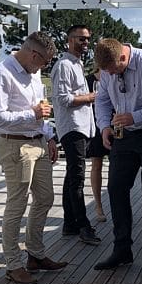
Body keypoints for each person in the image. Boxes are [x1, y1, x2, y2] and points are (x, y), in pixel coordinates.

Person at [0, 31, 65, 284]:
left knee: (45, 198)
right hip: (15, 146)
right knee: (17, 204)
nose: (44, 67)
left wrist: (49, 136)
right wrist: (32, 114)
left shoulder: (33, 73)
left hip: (38, 142)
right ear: (33, 54)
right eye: (44, 62)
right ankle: (13, 264)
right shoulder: (1, 74)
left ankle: (35, 255)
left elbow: (41, 109)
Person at [93, 37, 142, 276]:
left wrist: (135, 117)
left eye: (112, 69)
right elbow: (102, 100)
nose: (109, 74)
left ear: (123, 57)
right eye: (106, 71)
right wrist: (104, 126)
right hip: (124, 135)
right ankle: (122, 249)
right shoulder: (107, 69)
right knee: (116, 189)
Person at [51, 25, 101, 245]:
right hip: (72, 128)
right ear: (69, 40)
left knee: (72, 176)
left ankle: (70, 224)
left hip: (81, 127)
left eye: (88, 39)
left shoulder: (77, 64)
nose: (86, 42)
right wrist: (90, 97)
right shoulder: (64, 65)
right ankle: (83, 225)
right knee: (77, 178)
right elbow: (62, 98)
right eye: (81, 39)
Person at [85, 69, 108, 222]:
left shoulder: (115, 76)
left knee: (118, 165)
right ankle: (98, 205)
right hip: (94, 123)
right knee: (96, 164)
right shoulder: (88, 80)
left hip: (114, 121)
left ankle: (118, 202)